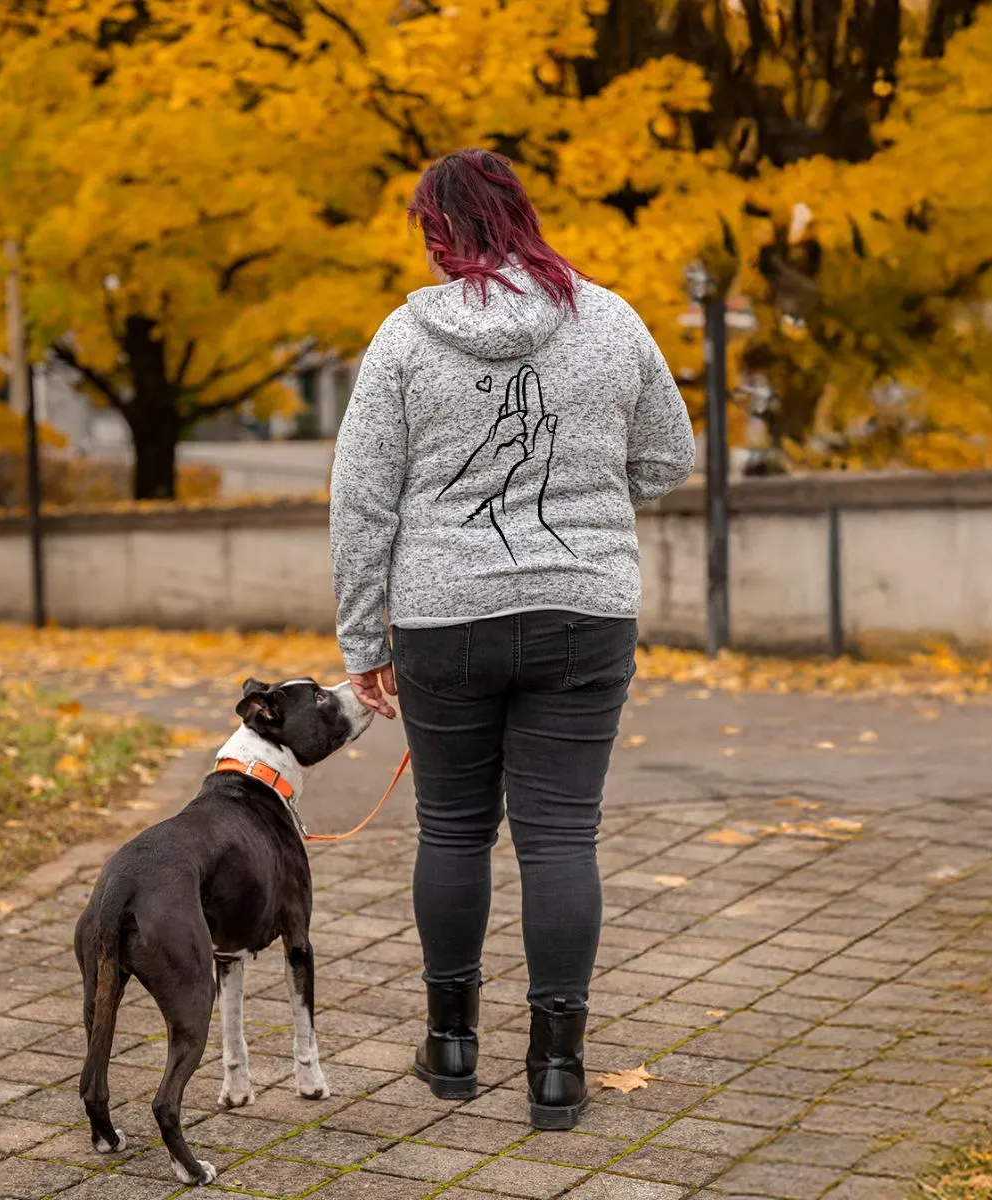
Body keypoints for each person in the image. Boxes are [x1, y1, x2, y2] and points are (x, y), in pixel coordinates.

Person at [329, 148, 695, 1131]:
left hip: (443, 619)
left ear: (438, 231)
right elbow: (670, 454)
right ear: (520, 217)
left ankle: (450, 1048)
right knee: (560, 836)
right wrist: (589, 503)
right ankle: (556, 1070)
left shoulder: (404, 339)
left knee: (452, 829)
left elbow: (362, 501)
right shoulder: (609, 320)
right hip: (584, 612)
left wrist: (362, 636)